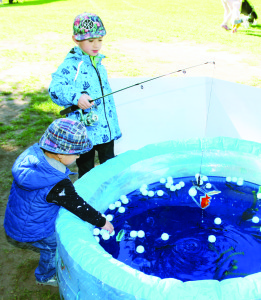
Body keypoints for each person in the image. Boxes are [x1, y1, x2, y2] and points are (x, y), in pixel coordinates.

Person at [4, 118, 114, 287]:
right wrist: (102, 221)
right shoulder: (58, 185)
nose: (79, 156)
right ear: (61, 155)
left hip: (19, 217)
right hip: (33, 228)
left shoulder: (32, 156)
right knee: (53, 246)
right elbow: (78, 206)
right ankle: (45, 276)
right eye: (76, 153)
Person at [49, 12, 122, 178]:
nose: (96, 45)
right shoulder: (72, 64)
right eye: (90, 41)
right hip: (84, 134)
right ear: (76, 40)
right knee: (87, 171)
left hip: (105, 131)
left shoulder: (98, 61)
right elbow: (55, 88)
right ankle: (86, 201)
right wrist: (76, 97)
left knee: (110, 169)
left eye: (100, 40)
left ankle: (110, 200)